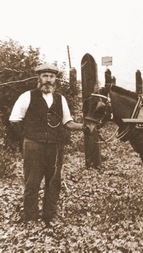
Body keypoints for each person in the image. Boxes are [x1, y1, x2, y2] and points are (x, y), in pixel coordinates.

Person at [9, 63, 84, 227]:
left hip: (55, 147)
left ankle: (49, 215)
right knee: (32, 181)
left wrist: (84, 127)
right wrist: (28, 136)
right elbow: (14, 120)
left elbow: (68, 122)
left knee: (54, 181)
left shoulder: (60, 99)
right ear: (39, 77)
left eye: (51, 76)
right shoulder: (27, 96)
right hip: (33, 146)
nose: (48, 80)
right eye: (45, 76)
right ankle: (31, 216)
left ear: (55, 79)